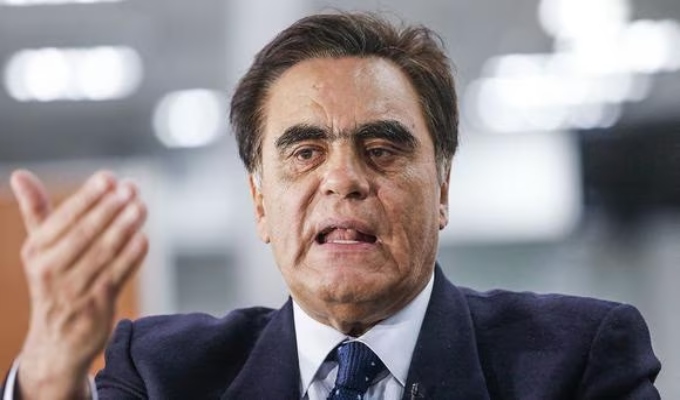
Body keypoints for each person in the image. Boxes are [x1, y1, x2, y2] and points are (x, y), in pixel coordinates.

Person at [2, 12, 661, 400]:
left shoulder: (578, 359)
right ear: (260, 201)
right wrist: (50, 378)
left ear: (442, 188)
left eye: (381, 149)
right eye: (305, 152)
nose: (343, 179)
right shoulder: (159, 371)